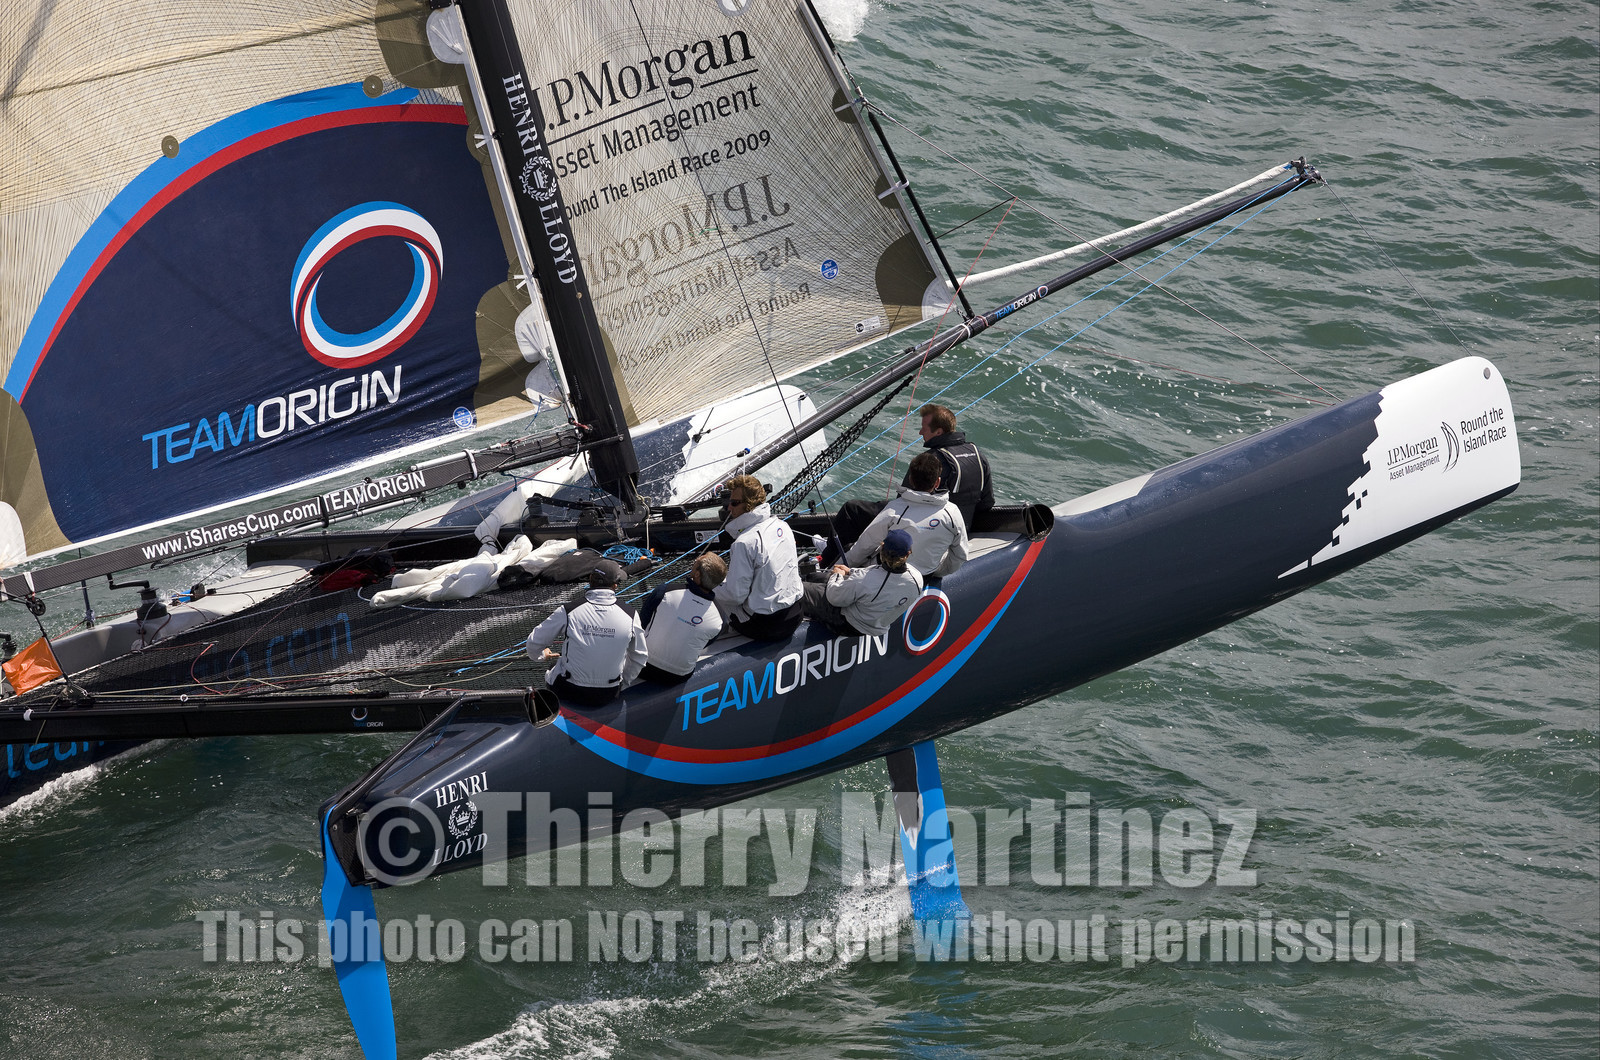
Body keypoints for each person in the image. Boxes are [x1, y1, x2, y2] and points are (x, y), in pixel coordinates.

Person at [823, 402, 995, 563]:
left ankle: (827, 561)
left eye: (924, 428)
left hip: (922, 527)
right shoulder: (978, 455)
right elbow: (987, 503)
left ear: (939, 432)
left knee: (851, 510)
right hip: (958, 527)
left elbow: (904, 501)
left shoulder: (932, 460)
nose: (920, 432)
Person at [524, 560, 648, 706]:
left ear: (590, 580)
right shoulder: (631, 615)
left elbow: (533, 643)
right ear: (615, 585)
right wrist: (622, 683)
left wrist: (541, 656)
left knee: (552, 668)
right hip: (608, 693)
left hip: (569, 691)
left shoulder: (568, 610)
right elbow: (640, 657)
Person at [845, 452, 968, 579]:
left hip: (886, 574)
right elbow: (960, 555)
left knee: (849, 546)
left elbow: (864, 546)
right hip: (926, 576)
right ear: (937, 482)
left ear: (910, 479)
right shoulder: (953, 513)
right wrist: (937, 572)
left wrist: (838, 568)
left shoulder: (895, 508)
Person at [712, 475, 804, 641]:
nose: (729, 509)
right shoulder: (782, 525)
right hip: (795, 613)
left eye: (733, 503)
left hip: (766, 626)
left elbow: (735, 596)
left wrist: (710, 588)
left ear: (748, 505)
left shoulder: (744, 543)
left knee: (711, 593)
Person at [803, 528, 924, 638]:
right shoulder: (917, 579)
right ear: (908, 553)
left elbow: (834, 597)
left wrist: (837, 575)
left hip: (846, 624)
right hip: (874, 623)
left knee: (802, 589)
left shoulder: (864, 580)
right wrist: (850, 571)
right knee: (816, 577)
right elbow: (877, 576)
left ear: (882, 549)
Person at [637, 554, 727, 684]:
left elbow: (641, 623)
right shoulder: (720, 617)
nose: (694, 562)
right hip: (678, 676)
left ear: (696, 574)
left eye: (695, 562)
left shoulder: (665, 591)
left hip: (643, 666)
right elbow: (706, 642)